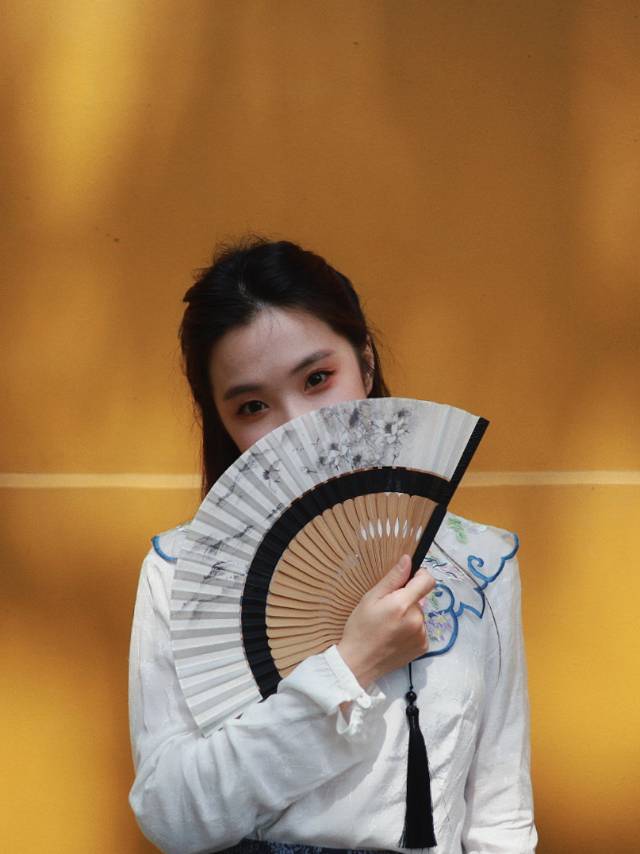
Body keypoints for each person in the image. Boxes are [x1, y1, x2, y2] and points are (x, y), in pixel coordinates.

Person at [128, 236, 537, 854]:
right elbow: (173, 816)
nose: (299, 425)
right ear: (221, 420)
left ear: (365, 365)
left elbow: (500, 820)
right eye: (253, 406)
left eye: (318, 379)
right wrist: (351, 666)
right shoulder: (182, 572)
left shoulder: (479, 565)